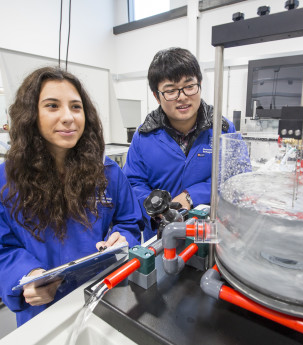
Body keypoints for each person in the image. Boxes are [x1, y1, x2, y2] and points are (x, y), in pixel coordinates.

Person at [0, 66, 144, 326]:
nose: (68, 117)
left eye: (76, 107)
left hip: (102, 298)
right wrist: (26, 274)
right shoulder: (6, 180)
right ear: (31, 115)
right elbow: (2, 250)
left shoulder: (108, 172)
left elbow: (130, 222)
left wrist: (123, 238)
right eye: (52, 106)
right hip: (42, 312)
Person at [123, 47, 251, 241]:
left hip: (211, 233)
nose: (182, 97)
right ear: (157, 96)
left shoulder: (222, 129)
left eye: (189, 86)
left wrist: (192, 196)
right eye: (171, 90)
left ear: (199, 85)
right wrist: (154, 206)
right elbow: (133, 183)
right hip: (163, 237)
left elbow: (238, 176)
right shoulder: (144, 136)